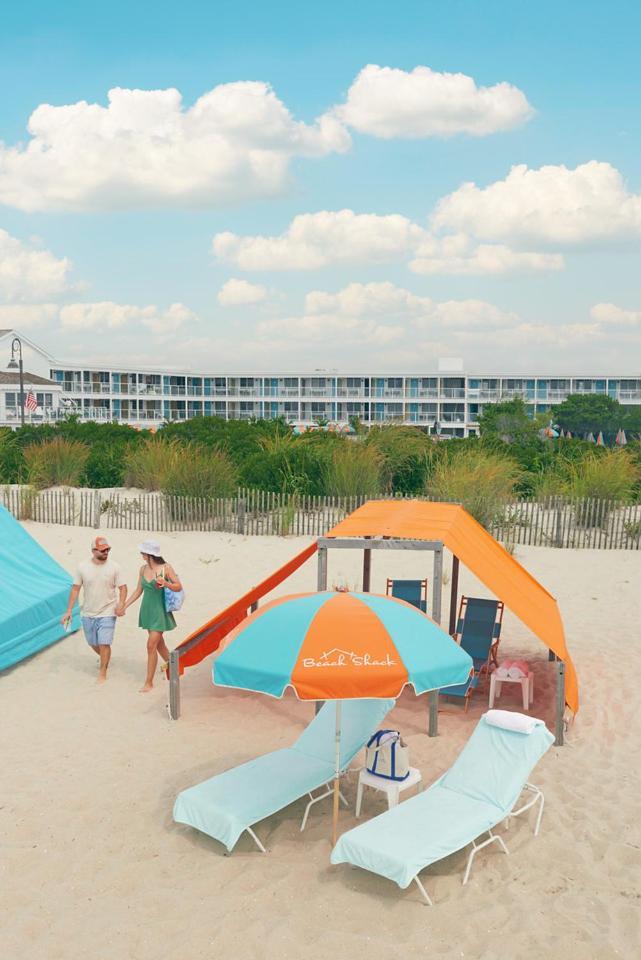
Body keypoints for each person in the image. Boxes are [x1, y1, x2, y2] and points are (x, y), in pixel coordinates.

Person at [61, 535, 127, 684]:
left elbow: (123, 588)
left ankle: (103, 672)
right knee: (92, 643)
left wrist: (121, 604)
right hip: (88, 612)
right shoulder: (82, 567)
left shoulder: (115, 567)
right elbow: (75, 589)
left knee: (104, 643)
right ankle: (105, 656)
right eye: (103, 550)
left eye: (108, 549)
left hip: (108, 610)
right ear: (93, 550)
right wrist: (69, 610)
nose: (106, 552)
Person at [124, 539, 182, 693]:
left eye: (143, 552)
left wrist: (166, 583)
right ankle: (174, 666)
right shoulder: (142, 569)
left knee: (151, 645)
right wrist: (124, 605)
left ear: (149, 554)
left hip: (160, 611)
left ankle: (149, 682)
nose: (141, 554)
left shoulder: (166, 568)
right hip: (147, 610)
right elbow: (138, 590)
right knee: (159, 644)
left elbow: (178, 586)